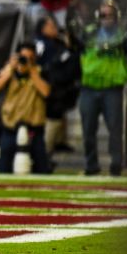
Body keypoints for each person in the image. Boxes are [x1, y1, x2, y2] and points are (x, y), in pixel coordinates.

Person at [69, 0, 127, 176]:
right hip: (89, 86)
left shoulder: (123, 34)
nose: (106, 18)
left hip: (112, 86)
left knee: (115, 129)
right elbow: (77, 47)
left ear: (116, 16)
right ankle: (91, 166)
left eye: (109, 14)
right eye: (103, 14)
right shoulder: (89, 32)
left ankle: (116, 166)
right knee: (88, 129)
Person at [0, 42, 53, 174]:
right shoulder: (9, 71)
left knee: (41, 168)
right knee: (4, 167)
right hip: (11, 125)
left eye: (30, 58)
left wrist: (32, 71)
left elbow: (46, 92)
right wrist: (10, 69)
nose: (26, 61)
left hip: (34, 127)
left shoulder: (41, 71)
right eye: (23, 57)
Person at [33, 15, 80, 154]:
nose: (55, 29)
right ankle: (44, 153)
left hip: (59, 90)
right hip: (44, 89)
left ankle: (52, 147)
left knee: (56, 117)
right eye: (51, 26)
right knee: (49, 119)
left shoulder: (58, 44)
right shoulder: (40, 44)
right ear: (43, 28)